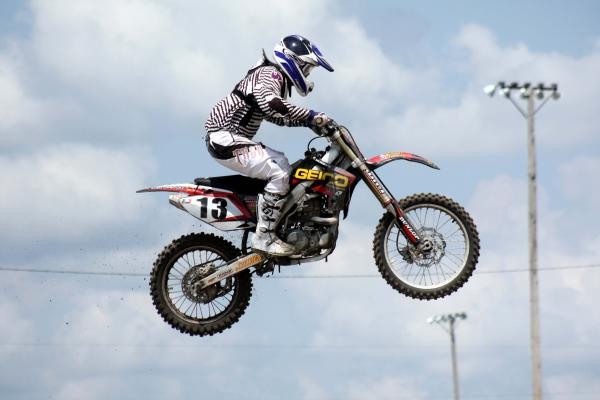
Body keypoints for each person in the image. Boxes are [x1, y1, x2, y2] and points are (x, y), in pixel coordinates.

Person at [204, 35, 334, 256]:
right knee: (279, 167)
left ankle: (274, 222)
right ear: (293, 61)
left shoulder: (273, 78)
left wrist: (309, 123)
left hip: (227, 139)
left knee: (283, 167)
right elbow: (273, 105)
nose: (306, 75)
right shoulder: (270, 74)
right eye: (306, 68)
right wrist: (312, 115)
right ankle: (265, 237)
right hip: (224, 137)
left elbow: (276, 117)